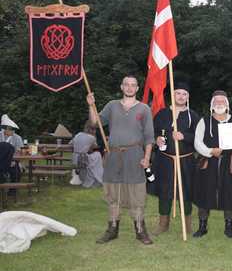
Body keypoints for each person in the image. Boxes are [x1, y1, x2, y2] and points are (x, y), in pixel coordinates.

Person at [87, 75, 155, 245]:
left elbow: (149, 137)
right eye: (127, 85)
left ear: (137, 88)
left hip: (135, 155)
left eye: (133, 85)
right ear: (122, 87)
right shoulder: (112, 106)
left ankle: (140, 230)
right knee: (112, 193)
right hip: (113, 155)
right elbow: (95, 122)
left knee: (137, 193)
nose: (130, 88)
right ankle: (112, 230)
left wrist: (146, 158)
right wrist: (90, 106)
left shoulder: (144, 109)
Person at [150, 82, 200, 236]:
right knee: (165, 191)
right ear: (173, 95)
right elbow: (153, 132)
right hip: (165, 159)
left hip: (186, 160)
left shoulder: (194, 116)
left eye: (184, 94)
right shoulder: (163, 113)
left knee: (186, 191)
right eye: (178, 93)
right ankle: (163, 224)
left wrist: (184, 136)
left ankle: (188, 224)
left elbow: (200, 138)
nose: (181, 96)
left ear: (188, 97)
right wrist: (157, 139)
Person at [192, 90, 232, 238]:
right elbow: (197, 142)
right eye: (216, 102)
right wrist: (210, 151)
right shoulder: (204, 121)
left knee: (229, 193)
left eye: (222, 102)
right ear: (212, 105)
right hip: (208, 162)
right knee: (205, 192)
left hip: (228, 163)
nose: (219, 104)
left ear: (227, 105)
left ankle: (228, 227)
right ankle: (202, 226)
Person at [70, 121, 103, 188]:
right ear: (91, 129)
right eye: (95, 129)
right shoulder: (92, 138)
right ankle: (97, 177)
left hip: (75, 158)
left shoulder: (78, 134)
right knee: (98, 155)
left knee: (95, 156)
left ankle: (92, 176)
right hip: (82, 159)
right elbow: (94, 147)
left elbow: (70, 144)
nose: (95, 131)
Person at [0, 114, 23, 181]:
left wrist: (12, 160)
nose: (13, 131)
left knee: (16, 171)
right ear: (6, 129)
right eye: (11, 129)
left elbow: (19, 152)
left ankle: (13, 190)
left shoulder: (18, 138)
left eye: (13, 129)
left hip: (13, 161)